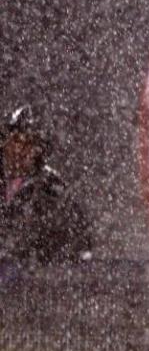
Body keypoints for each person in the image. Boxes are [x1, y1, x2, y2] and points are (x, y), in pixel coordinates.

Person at [0, 105, 91, 264]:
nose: (18, 149)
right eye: (14, 140)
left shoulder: (54, 189)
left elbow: (76, 245)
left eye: (28, 142)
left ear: (39, 149)